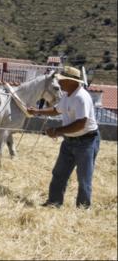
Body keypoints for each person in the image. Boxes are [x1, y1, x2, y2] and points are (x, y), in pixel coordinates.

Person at [27, 66, 100, 209]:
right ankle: (54, 203)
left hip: (86, 141)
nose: (59, 82)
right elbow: (56, 110)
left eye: (62, 80)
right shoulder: (67, 96)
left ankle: (83, 208)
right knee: (59, 173)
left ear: (71, 81)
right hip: (69, 141)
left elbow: (81, 124)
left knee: (84, 178)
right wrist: (37, 111)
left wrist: (57, 131)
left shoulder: (81, 97)